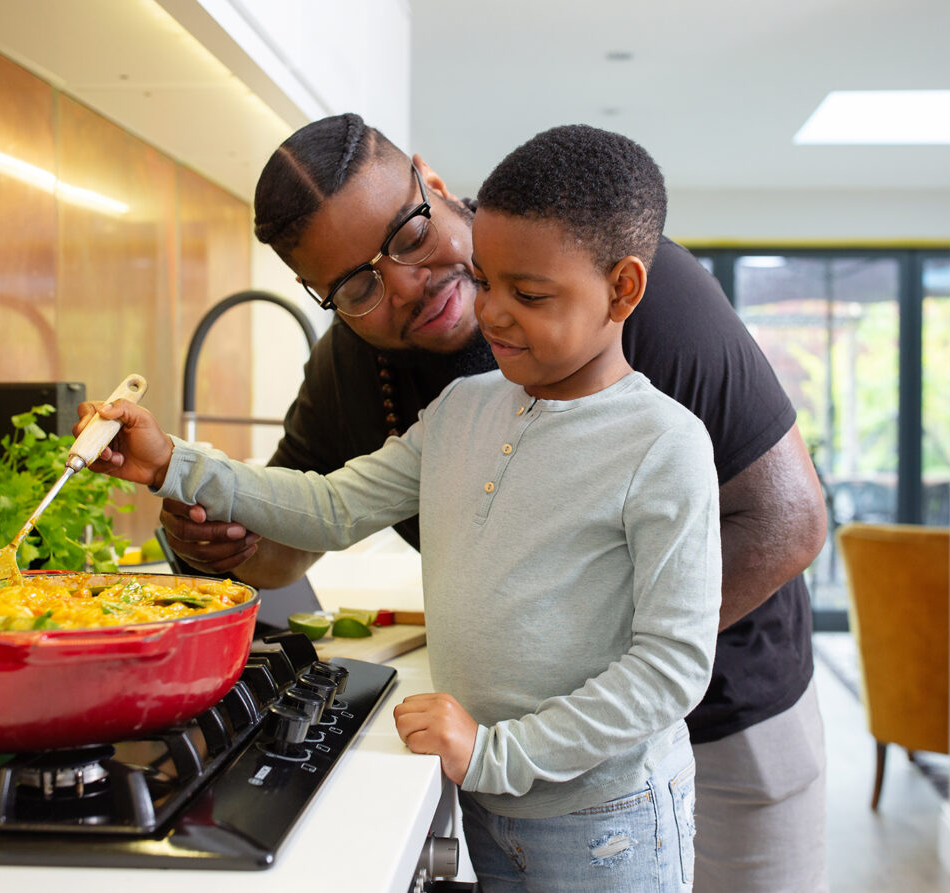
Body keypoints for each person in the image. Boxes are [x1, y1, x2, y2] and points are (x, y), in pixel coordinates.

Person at [162, 113, 830, 892]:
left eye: (408, 235)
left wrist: (576, 684)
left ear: (432, 185)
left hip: (728, 713)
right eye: (355, 285)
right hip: (514, 762)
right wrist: (219, 526)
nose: (406, 283)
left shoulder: (640, 286)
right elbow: (305, 526)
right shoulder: (354, 368)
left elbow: (790, 520)